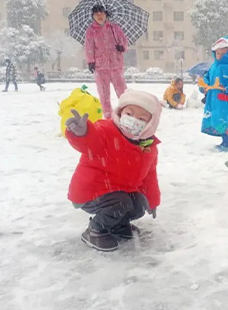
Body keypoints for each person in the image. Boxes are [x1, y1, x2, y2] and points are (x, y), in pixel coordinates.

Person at [65, 89, 162, 252]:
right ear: (120, 111)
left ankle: (118, 226)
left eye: (141, 119)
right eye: (129, 113)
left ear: (150, 124)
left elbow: (149, 177)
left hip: (119, 193)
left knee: (139, 203)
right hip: (92, 192)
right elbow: (90, 142)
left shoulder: (147, 147)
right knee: (121, 203)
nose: (133, 121)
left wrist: (152, 202)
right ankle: (95, 230)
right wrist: (82, 133)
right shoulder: (106, 130)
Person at [200, 35, 228, 151]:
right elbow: (207, 77)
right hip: (215, 100)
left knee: (227, 119)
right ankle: (224, 139)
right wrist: (204, 86)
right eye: (217, 53)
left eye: (223, 53)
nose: (219, 56)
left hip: (227, 100)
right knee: (218, 118)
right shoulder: (214, 67)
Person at [85, 4, 128, 119]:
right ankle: (109, 118)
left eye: (101, 13)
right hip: (100, 67)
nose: (99, 16)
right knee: (104, 95)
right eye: (96, 14)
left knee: (123, 93)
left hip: (116, 64)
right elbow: (89, 47)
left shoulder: (114, 28)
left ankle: (126, 114)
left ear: (106, 14)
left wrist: (122, 47)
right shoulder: (90, 31)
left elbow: (124, 41)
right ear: (93, 16)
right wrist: (91, 61)